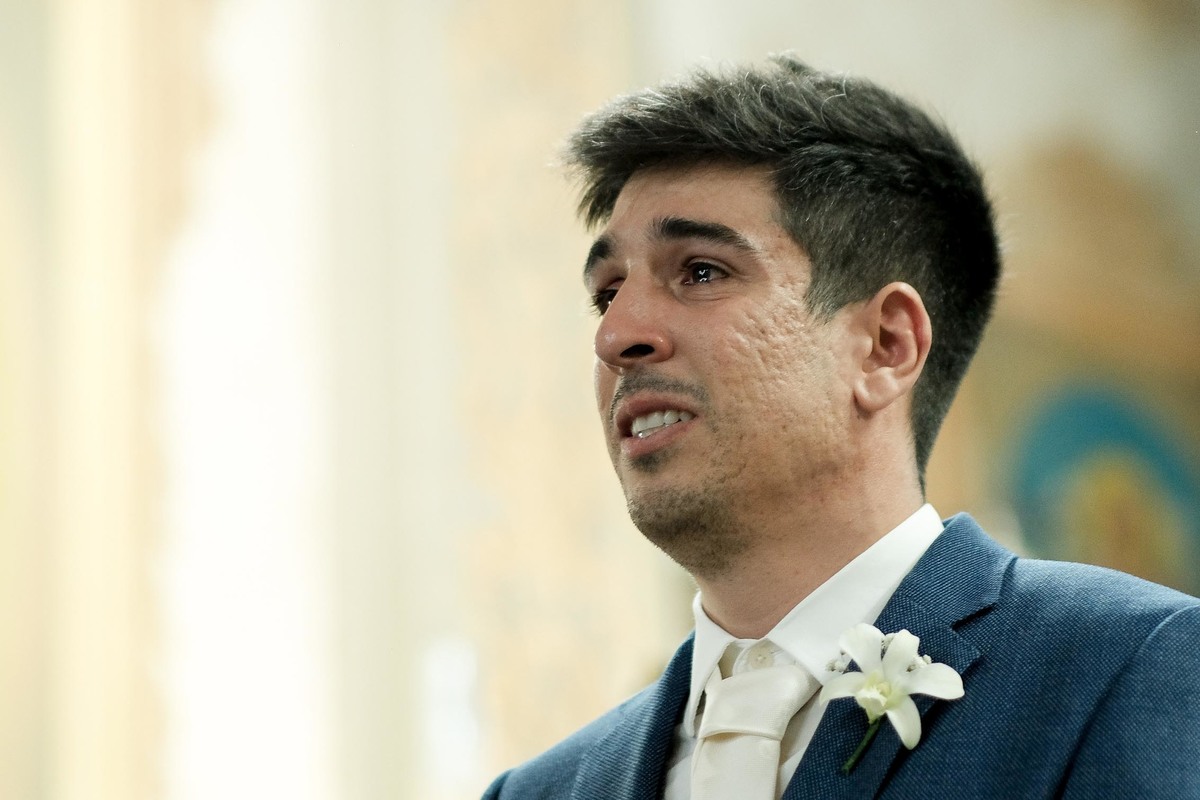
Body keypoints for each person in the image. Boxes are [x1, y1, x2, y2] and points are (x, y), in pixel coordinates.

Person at [481, 55, 1200, 799]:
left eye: (700, 271)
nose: (615, 335)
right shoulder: (537, 792)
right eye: (607, 294)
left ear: (886, 346)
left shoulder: (1130, 670)